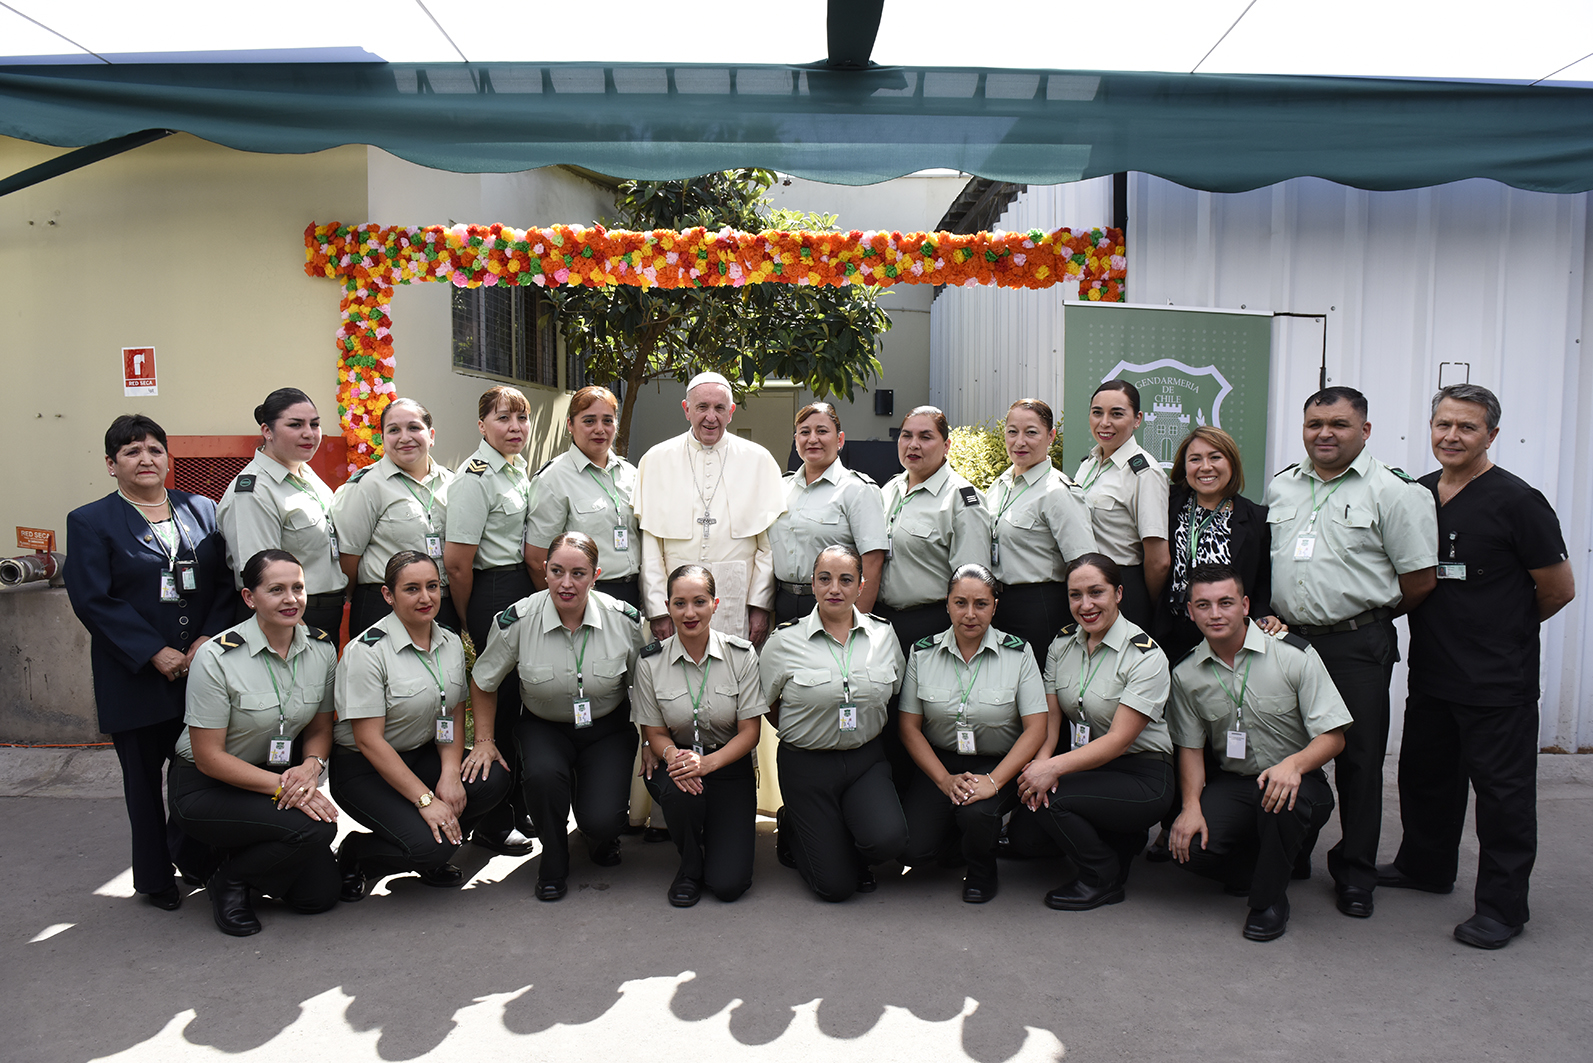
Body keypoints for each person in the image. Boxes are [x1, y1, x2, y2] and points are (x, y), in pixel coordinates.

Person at [1380, 385, 1576, 949]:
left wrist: (1502, 630)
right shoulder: (1418, 494)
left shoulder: (1518, 501)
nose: (1452, 436)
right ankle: (1425, 866)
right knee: (1426, 777)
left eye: (1466, 427)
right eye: (1443, 424)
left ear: (1491, 435)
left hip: (1497, 681)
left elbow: (1558, 588)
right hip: (1433, 671)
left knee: (1502, 796)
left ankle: (1502, 908)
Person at [1264, 386, 1438, 919]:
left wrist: (1364, 619)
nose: (1325, 434)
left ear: (1365, 430)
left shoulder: (1395, 492)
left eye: (1339, 424)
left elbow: (1420, 580)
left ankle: (1356, 872)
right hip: (1290, 642)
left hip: (1356, 644)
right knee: (1288, 749)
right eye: (1315, 424)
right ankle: (1292, 852)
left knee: (1359, 760)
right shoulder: (1282, 486)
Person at [64, 414, 233, 911]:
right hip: (133, 674)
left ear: (167, 458)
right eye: (132, 451)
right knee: (142, 782)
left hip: (199, 670)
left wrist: (207, 639)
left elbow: (224, 584)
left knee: (198, 771)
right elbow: (93, 599)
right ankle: (154, 877)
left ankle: (196, 857)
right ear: (111, 464)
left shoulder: (201, 508)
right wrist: (152, 651)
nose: (146, 459)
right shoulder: (91, 520)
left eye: (155, 449)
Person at [1169, 564, 1351, 942]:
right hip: (1237, 782)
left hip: (1299, 781)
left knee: (1281, 802)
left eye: (1226, 603)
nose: (1215, 614)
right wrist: (1190, 808)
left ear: (1246, 605)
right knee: (1191, 849)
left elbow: (1334, 737)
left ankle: (1268, 903)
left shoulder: (1293, 655)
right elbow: (1190, 749)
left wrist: (1293, 765)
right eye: (1203, 605)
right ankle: (1281, 860)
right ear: (1190, 611)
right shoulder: (1186, 673)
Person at [465, 532, 647, 901]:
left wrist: (653, 740)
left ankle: (599, 835)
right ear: (544, 570)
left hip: (606, 728)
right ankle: (554, 851)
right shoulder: (518, 620)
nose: (566, 583)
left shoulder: (623, 620)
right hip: (544, 726)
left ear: (595, 576)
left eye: (578, 574)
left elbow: (645, 685)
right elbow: (483, 681)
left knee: (602, 821)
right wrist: (483, 741)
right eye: (557, 571)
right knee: (543, 776)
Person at [168, 550, 339, 936]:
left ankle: (246, 850)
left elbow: (320, 727)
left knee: (318, 897)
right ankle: (229, 879)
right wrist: (288, 789)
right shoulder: (217, 656)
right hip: (206, 786)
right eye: (276, 590)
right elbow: (208, 757)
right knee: (316, 830)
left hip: (271, 777)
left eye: (298, 588)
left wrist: (311, 766)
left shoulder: (322, 649)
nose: (291, 599)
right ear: (249, 597)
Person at [330, 552, 512, 902]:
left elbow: (453, 713)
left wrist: (450, 774)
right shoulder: (366, 652)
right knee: (428, 847)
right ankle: (358, 853)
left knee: (491, 779)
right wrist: (426, 800)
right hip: (365, 769)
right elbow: (368, 741)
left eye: (432, 586)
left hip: (421, 753)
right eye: (411, 589)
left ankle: (434, 844)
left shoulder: (450, 641)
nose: (426, 597)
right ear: (388, 595)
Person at [1012, 553, 1175, 910]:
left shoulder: (1144, 655)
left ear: (1118, 593)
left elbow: (1118, 740)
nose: (1085, 605)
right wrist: (1040, 765)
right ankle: (1119, 838)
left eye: (1096, 592)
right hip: (1088, 765)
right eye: (1076, 595)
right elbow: (1052, 720)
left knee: (1053, 803)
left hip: (1141, 772)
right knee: (1026, 837)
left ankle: (1102, 877)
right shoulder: (1061, 645)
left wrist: (1053, 769)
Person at [760, 545, 907, 902]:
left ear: (861, 586)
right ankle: (793, 826)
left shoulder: (883, 635)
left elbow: (894, 692)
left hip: (865, 760)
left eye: (846, 580)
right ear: (812, 584)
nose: (834, 589)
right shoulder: (784, 641)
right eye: (825, 579)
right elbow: (768, 704)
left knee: (888, 841)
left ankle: (842, 840)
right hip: (806, 764)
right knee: (836, 887)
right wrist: (809, 729)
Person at [899, 564, 1047, 903]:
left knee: (977, 811)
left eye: (981, 604)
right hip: (943, 762)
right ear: (947, 604)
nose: (970, 614)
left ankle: (982, 869)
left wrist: (994, 781)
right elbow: (909, 727)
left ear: (995, 607)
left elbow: (1037, 727)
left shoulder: (1018, 653)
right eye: (960, 602)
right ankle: (959, 843)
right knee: (912, 850)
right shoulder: (922, 653)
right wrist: (943, 780)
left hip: (999, 761)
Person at [633, 565, 766, 906]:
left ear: (715, 604)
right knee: (680, 793)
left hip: (727, 763)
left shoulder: (741, 656)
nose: (689, 613)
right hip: (677, 762)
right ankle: (690, 867)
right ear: (667, 607)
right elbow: (655, 731)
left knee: (728, 885)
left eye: (699, 602)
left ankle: (716, 843)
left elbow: (750, 732)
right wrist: (674, 757)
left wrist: (707, 764)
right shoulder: (650, 662)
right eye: (679, 604)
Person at [445, 385, 537, 856]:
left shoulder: (515, 469)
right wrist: (468, 618)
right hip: (491, 591)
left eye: (521, 418)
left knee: (517, 703)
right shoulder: (475, 478)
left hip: (518, 586)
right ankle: (492, 822)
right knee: (496, 707)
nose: (515, 427)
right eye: (503, 418)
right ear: (482, 426)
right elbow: (458, 563)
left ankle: (516, 805)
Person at [634, 371, 785, 645]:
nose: (711, 417)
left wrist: (760, 605)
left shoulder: (758, 460)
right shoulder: (656, 460)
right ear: (686, 409)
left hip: (737, 595)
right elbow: (651, 546)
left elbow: (767, 547)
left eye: (719, 408)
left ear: (731, 412)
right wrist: (657, 609)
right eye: (702, 407)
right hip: (676, 600)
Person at [217, 388, 348, 639]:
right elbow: (260, 576)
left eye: (315, 424)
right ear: (267, 431)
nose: (309, 433)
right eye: (295, 425)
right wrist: (296, 632)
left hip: (324, 613)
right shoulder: (254, 491)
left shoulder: (305, 474)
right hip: (287, 620)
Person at [331, 398, 458, 637]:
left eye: (414, 427)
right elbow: (348, 559)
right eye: (393, 430)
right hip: (384, 607)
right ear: (383, 438)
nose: (404, 437)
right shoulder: (366, 485)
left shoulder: (452, 482)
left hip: (441, 604)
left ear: (431, 435)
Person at [986, 398, 1096, 665]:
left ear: (1051, 436)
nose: (1019, 442)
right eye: (1012, 432)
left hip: (1039, 607)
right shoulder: (1000, 485)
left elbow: (1083, 563)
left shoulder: (1057, 492)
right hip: (999, 606)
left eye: (1031, 432)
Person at [876, 406, 991, 654]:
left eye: (925, 437)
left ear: (946, 445)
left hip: (933, 626)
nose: (913, 445)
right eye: (906, 435)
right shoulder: (890, 490)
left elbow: (972, 584)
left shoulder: (961, 500)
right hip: (883, 623)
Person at [1158, 426, 1277, 662]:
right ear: (1184, 466)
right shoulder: (1166, 503)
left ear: (1231, 463)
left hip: (1227, 636)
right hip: (1170, 633)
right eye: (1195, 459)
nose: (1205, 467)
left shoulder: (1256, 518)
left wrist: (1264, 614)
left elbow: (1262, 579)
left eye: (1215, 457)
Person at [769, 402, 889, 624]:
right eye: (805, 432)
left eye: (822, 431)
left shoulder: (858, 490)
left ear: (840, 440)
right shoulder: (781, 488)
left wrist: (857, 624)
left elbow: (872, 561)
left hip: (835, 604)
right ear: (796, 440)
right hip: (783, 602)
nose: (812, 439)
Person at [524, 385, 642, 609]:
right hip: (584, 597)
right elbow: (536, 558)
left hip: (633, 594)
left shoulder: (631, 474)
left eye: (607, 420)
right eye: (589, 421)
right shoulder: (553, 479)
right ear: (570, 424)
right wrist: (564, 606)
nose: (600, 429)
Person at [1074, 380, 1170, 631]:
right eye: (1097, 413)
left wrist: (1142, 602)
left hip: (1123, 589)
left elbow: (1158, 560)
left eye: (1116, 414)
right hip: (1086, 589)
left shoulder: (1145, 473)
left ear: (1137, 419)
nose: (1104, 422)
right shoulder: (1088, 464)